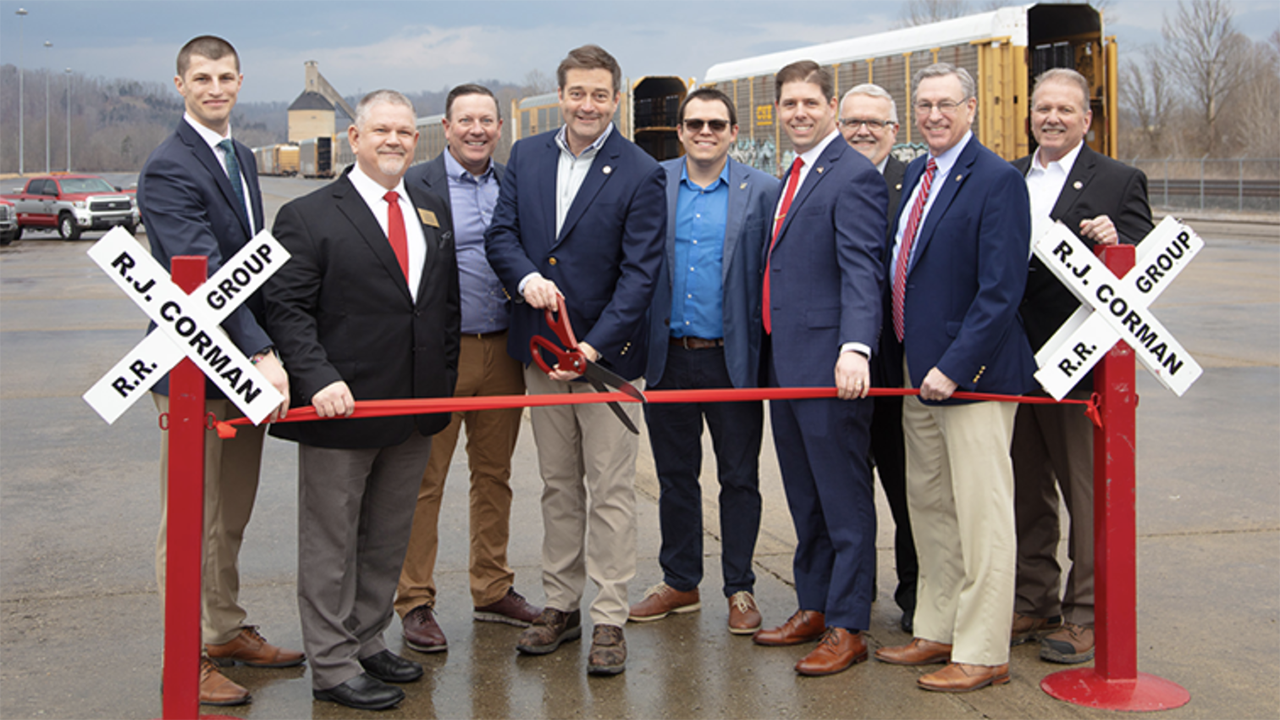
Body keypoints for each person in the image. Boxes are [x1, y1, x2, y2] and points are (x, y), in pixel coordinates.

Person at [264, 90, 460, 711]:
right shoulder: (309, 215)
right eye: (382, 130)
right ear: (354, 137)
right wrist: (316, 377)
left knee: (386, 538)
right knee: (331, 542)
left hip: (411, 409)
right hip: (340, 410)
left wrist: (442, 383)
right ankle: (330, 663)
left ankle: (368, 639)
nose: (395, 140)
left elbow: (439, 307)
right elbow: (285, 309)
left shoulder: (429, 210)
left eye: (404, 131)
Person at [485, 44, 665, 676]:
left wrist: (591, 346)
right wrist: (526, 277)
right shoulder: (527, 156)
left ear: (614, 100)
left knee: (610, 488)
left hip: (604, 359)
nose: (586, 105)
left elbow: (641, 275)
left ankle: (609, 616)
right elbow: (501, 234)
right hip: (539, 352)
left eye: (598, 94)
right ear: (559, 96)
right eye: (576, 93)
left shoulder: (642, 171)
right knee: (558, 484)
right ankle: (560, 606)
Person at [137, 34, 300, 707]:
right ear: (180, 85)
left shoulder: (237, 156)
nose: (215, 88)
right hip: (192, 370)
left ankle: (225, 630)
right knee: (191, 521)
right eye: (201, 77)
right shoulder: (169, 168)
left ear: (239, 81)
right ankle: (188, 655)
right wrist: (262, 353)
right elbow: (202, 278)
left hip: (241, 371)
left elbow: (253, 269)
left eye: (226, 76)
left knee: (230, 515)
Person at [873, 63, 1035, 694]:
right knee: (931, 507)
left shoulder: (997, 181)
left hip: (972, 376)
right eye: (923, 104)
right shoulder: (920, 171)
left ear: (971, 108)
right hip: (920, 372)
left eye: (946, 104)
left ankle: (984, 648)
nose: (933, 115)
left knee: (982, 515)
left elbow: (1001, 291)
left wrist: (954, 366)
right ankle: (938, 627)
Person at [1010, 67, 1153, 664]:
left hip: (1080, 363)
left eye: (1065, 110)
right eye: (1043, 108)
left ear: (1087, 119)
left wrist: (1117, 239)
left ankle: (1087, 612)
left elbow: (1144, 267)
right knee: (1026, 490)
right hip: (1015, 360)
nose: (1052, 118)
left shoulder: (1119, 180)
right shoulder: (1009, 176)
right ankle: (1033, 598)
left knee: (1084, 493)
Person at [750, 60, 887, 677]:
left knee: (842, 497)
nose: (799, 113)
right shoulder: (793, 175)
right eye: (789, 104)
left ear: (832, 107)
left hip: (830, 368)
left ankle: (848, 623)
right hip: (786, 367)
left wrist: (856, 346)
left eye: (810, 102)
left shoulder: (852, 176)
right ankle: (813, 603)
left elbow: (863, 270)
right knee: (804, 496)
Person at [394, 84, 540, 655]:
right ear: (447, 128)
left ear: (500, 127)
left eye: (487, 120)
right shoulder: (414, 185)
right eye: (465, 120)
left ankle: (492, 586)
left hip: (503, 349)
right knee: (423, 481)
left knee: (494, 475)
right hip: (440, 355)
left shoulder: (514, 183)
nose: (476, 129)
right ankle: (415, 600)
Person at [626, 88, 778, 635]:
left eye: (716, 123)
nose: (704, 132)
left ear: (734, 132)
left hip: (732, 362)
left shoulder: (763, 191)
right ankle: (680, 581)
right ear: (681, 131)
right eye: (694, 123)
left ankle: (740, 588)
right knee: (675, 478)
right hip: (669, 359)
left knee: (739, 478)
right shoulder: (654, 184)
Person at [838, 82, 918, 634]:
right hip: (839, 365)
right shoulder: (823, 180)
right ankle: (853, 592)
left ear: (894, 131)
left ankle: (917, 593)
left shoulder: (913, 184)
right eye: (852, 121)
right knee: (844, 490)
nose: (863, 130)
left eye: (875, 121)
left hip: (898, 366)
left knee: (908, 489)